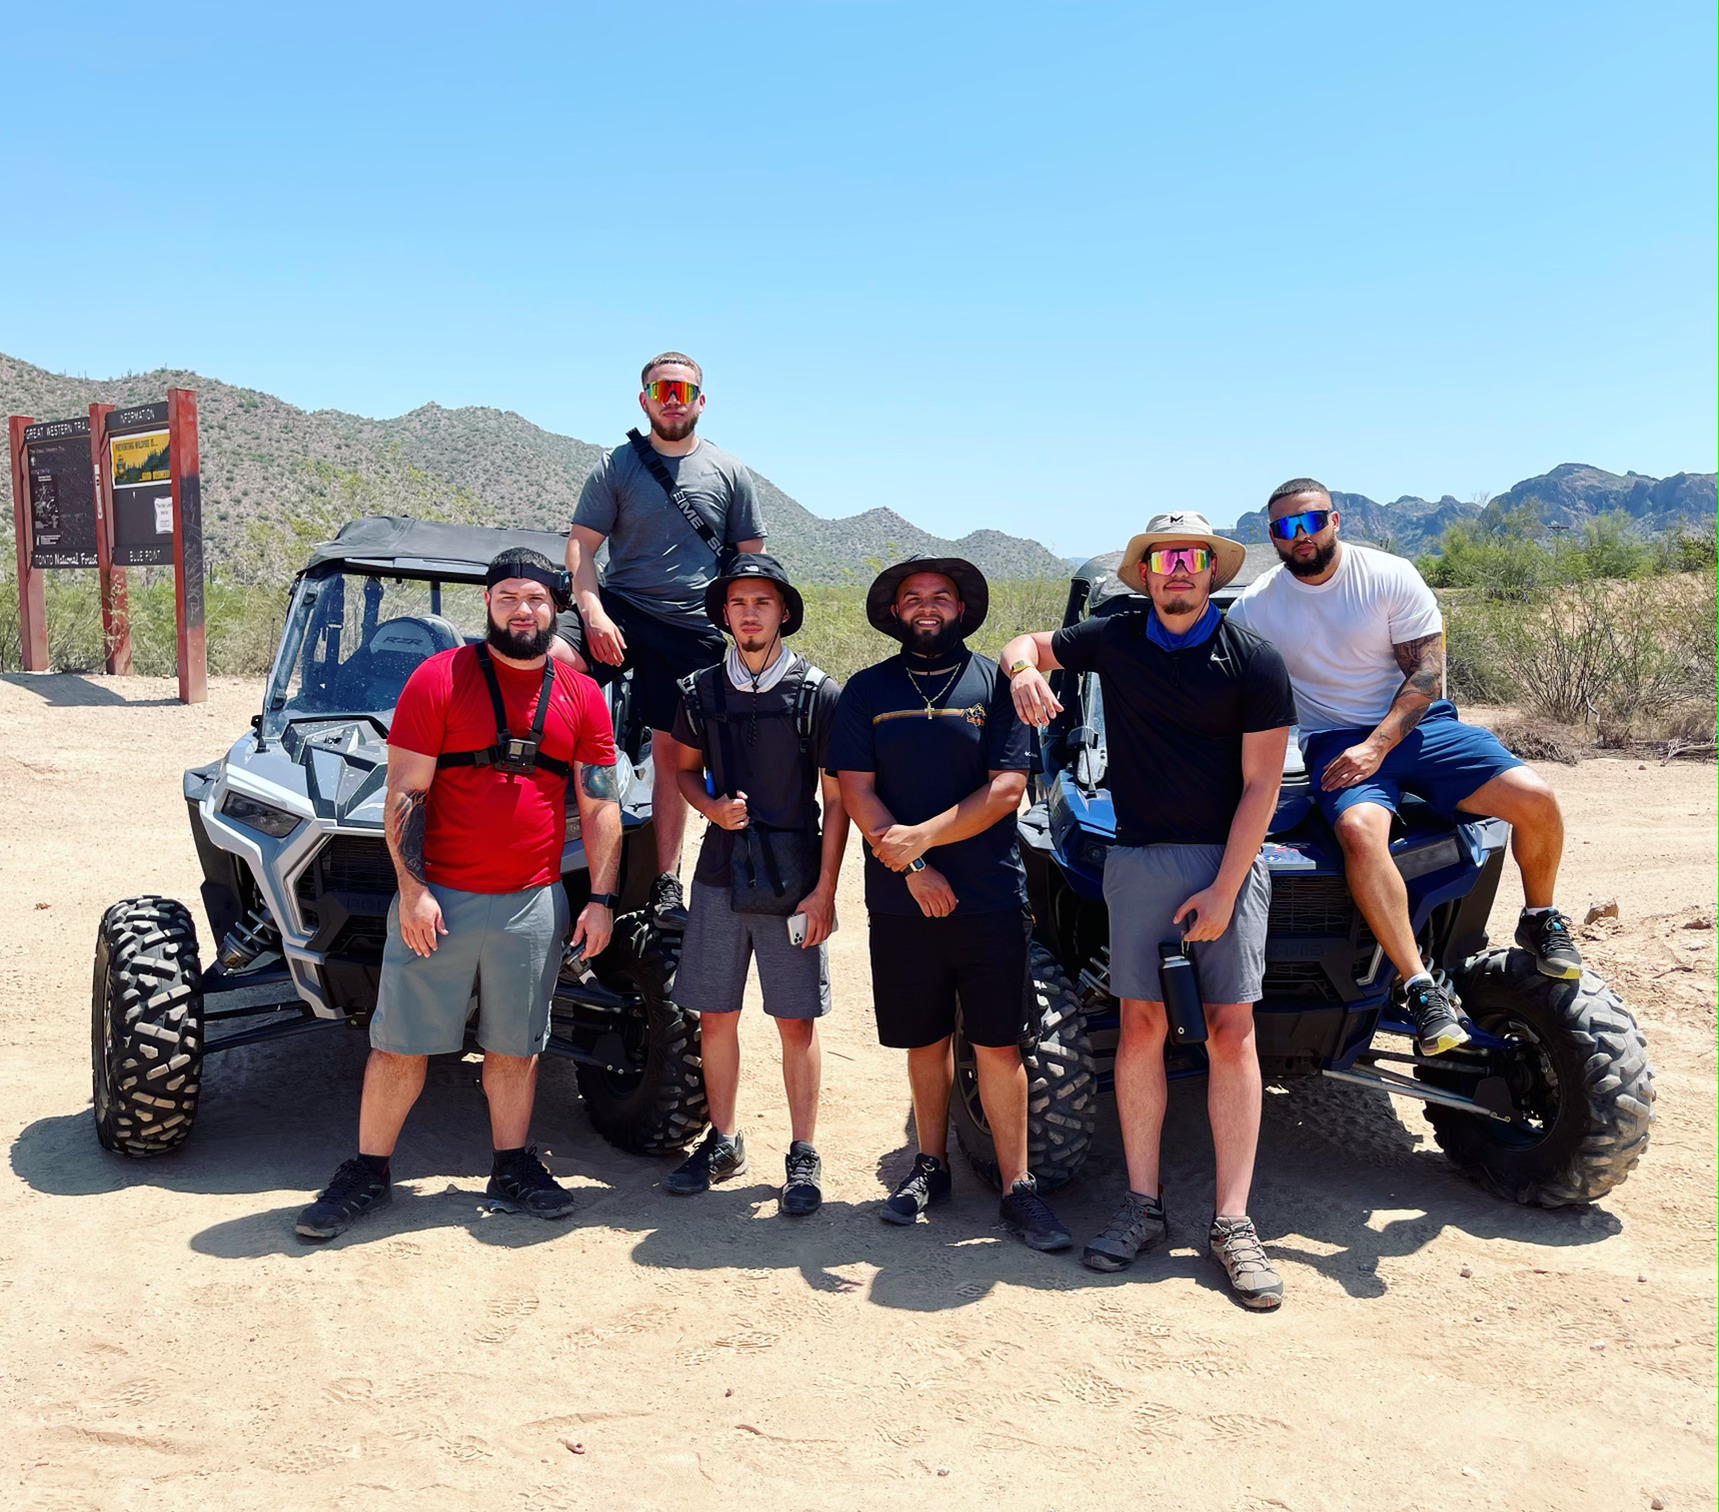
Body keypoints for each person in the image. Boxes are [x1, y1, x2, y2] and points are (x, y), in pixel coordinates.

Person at [1003, 511, 1297, 1308]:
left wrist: (1225, 887)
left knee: (1231, 1032)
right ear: (1147, 571)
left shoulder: (1253, 660)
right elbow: (1024, 645)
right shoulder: (1116, 636)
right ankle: (1142, 1205)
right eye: (1164, 558)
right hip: (1136, 860)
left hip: (1224, 859)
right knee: (1140, 1026)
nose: (1178, 570)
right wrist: (1023, 670)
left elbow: (1262, 787)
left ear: (1211, 572)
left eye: (1193, 559)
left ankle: (1232, 1224)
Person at [296, 548, 624, 1241]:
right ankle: (367, 1170)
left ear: (554, 609)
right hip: (438, 896)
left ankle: (510, 1166)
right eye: (507, 597)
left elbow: (598, 806)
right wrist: (413, 892)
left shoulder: (582, 697)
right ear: (489, 605)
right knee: (399, 1045)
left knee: (517, 1047)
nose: (522, 610)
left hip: (533, 901)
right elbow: (405, 795)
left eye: (534, 599)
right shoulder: (438, 679)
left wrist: (600, 898)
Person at [1226, 478, 1583, 1059]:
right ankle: (1420, 988)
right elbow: (1224, 682)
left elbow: (1426, 678)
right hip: (1333, 738)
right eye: (1285, 528)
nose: (1300, 536)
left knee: (1534, 797)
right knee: (1359, 833)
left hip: (1419, 726)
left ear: (1334, 521)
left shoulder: (1388, 576)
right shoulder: (1258, 606)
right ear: (1272, 537)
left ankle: (1540, 916)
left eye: (1310, 521)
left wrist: (1379, 745)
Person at [828, 558, 1072, 1253]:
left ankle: (1018, 1189)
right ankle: (928, 1166)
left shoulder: (998, 686)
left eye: (940, 597)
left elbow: (1003, 791)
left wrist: (921, 843)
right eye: (912, 598)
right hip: (902, 901)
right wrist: (913, 868)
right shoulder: (866, 691)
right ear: (895, 612)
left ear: (962, 609)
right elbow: (856, 789)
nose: (926, 606)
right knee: (925, 1042)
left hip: (990, 894)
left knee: (999, 1043)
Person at [663, 555, 848, 1214]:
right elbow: (683, 770)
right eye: (738, 602)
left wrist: (824, 891)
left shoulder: (817, 695)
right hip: (718, 874)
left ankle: (802, 1153)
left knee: (795, 1023)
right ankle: (724, 1139)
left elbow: (838, 803)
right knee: (716, 1015)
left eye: (761, 602)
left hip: (792, 879)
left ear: (782, 613)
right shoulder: (700, 692)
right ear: (724, 614)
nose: (748, 612)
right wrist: (708, 809)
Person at [564, 353, 768, 934]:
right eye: (661, 388)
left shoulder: (730, 473)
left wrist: (742, 630)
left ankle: (666, 883)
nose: (672, 397)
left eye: (684, 389)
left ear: (701, 400)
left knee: (673, 751)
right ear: (644, 399)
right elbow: (582, 547)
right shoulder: (617, 466)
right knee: (547, 662)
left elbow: (748, 564)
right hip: (621, 608)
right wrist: (593, 611)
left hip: (693, 624)